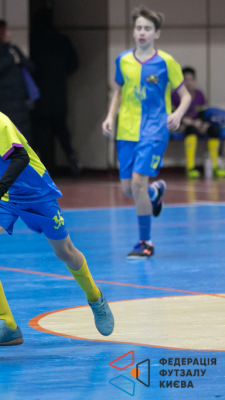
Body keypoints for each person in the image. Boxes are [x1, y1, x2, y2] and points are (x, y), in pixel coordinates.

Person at [0, 55, 114, 347]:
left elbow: (19, 158)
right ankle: (7, 324)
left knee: (66, 253)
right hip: (5, 195)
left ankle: (95, 297)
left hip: (35, 192)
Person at [102, 6, 191, 259]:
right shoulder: (123, 60)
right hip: (126, 130)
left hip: (154, 129)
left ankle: (145, 242)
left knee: (138, 182)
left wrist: (178, 114)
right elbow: (118, 92)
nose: (142, 32)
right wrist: (109, 116)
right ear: (133, 31)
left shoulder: (166, 62)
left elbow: (185, 95)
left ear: (156, 33)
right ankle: (155, 192)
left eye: (147, 29)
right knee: (128, 189)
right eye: (139, 28)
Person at [30, 7, 81, 175]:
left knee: (39, 134)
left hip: (38, 94)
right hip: (58, 92)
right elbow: (74, 64)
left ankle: (44, 167)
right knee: (62, 131)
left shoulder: (33, 41)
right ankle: (73, 161)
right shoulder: (62, 40)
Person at [0, 19, 34, 142]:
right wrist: (11, 58)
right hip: (0, 102)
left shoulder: (12, 49)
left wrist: (18, 59)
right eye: (6, 31)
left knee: (21, 139)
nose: (9, 33)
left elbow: (30, 66)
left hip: (19, 102)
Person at [172, 67, 225, 179]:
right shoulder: (175, 95)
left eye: (191, 79)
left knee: (215, 130)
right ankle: (190, 167)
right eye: (186, 80)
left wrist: (202, 122)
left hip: (198, 123)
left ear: (195, 80)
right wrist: (183, 120)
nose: (189, 82)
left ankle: (214, 166)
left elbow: (202, 112)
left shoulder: (199, 94)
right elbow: (172, 112)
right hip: (182, 125)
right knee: (191, 129)